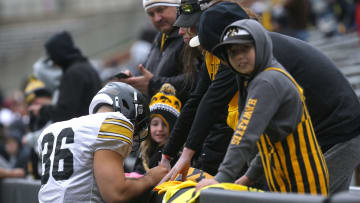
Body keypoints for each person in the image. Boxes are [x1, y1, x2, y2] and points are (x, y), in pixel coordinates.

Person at [163, 1, 360, 194]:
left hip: (337, 134)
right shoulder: (251, 65)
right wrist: (249, 176)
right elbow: (265, 134)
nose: (234, 58)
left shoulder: (265, 77)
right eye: (228, 54)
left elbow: (246, 132)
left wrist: (221, 178)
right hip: (316, 137)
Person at [197, 19, 329, 195]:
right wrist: (249, 176)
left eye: (246, 49)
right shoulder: (258, 78)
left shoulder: (267, 81)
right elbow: (273, 141)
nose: (240, 57)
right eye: (233, 52)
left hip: (302, 185)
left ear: (260, 46)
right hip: (287, 184)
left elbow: (244, 135)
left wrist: (220, 179)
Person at [37, 82, 168, 203]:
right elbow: (116, 193)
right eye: (135, 126)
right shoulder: (113, 122)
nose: (132, 135)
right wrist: (150, 178)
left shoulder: (50, 130)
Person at [119, 0, 193, 103]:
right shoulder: (160, 37)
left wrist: (153, 84)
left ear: (177, 7)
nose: (157, 18)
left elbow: (195, 80)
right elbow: (150, 76)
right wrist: (135, 81)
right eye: (151, 14)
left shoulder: (189, 36)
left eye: (160, 10)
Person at [35, 31, 102, 123]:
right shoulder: (87, 67)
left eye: (53, 57)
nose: (53, 63)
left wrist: (42, 111)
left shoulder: (72, 74)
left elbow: (64, 113)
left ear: (58, 54)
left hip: (81, 130)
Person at [133, 83, 181, 174]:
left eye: (165, 125)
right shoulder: (144, 149)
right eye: (155, 124)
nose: (160, 129)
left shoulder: (175, 155)